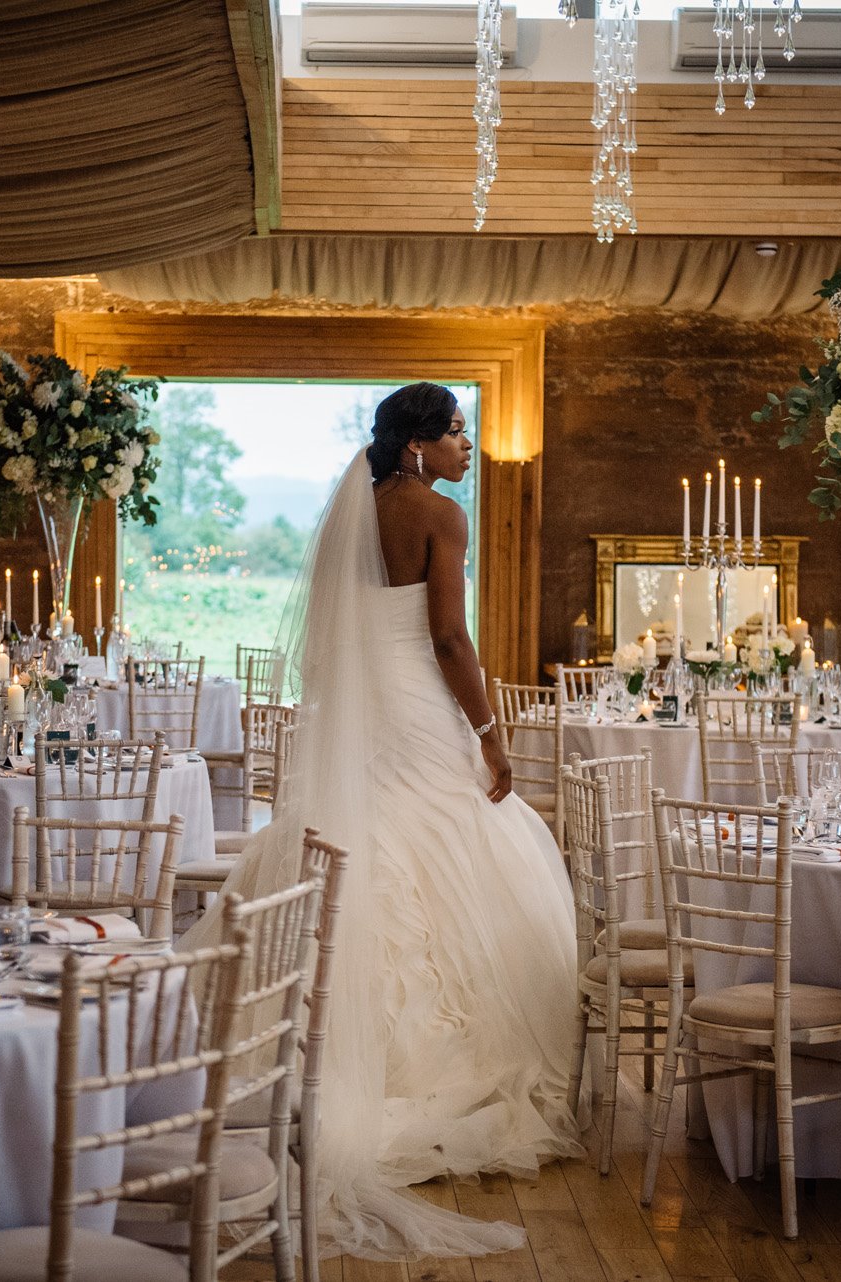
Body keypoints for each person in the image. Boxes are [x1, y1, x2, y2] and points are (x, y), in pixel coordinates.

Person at [189, 382, 581, 1260]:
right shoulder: (439, 515)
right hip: (415, 708)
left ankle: (298, 1038)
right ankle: (428, 1070)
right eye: (456, 432)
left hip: (366, 715)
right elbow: (448, 637)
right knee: (463, 849)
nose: (468, 447)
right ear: (417, 444)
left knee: (354, 848)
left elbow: (338, 642)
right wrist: (489, 734)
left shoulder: (353, 512)